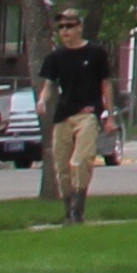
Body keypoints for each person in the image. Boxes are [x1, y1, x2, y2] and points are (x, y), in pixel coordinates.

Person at [36, 14, 111, 226]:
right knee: (62, 167)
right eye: (61, 27)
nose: (65, 31)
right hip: (63, 116)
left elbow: (106, 84)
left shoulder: (96, 53)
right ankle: (68, 212)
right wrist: (42, 101)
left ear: (79, 27)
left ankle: (78, 210)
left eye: (69, 26)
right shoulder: (55, 57)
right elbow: (48, 85)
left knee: (80, 161)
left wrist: (109, 116)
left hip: (87, 114)